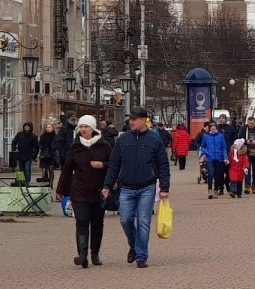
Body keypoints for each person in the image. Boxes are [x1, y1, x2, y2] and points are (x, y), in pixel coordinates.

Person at [102, 106, 170, 269]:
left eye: (134, 119)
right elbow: (114, 164)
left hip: (147, 187)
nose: (131, 122)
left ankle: (141, 256)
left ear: (143, 120)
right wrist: (107, 185)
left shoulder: (154, 140)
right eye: (130, 119)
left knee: (144, 221)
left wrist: (165, 188)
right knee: (125, 219)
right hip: (126, 187)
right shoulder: (123, 139)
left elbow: (163, 165)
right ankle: (133, 246)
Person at [57, 115, 111, 268]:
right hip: (79, 191)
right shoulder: (75, 147)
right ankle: (82, 255)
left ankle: (95, 253)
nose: (83, 129)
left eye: (86, 127)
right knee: (81, 221)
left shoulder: (104, 146)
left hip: (99, 191)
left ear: (93, 128)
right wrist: (60, 190)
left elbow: (113, 165)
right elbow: (67, 169)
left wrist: (102, 165)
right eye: (80, 127)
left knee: (96, 223)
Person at [200, 120, 229, 199]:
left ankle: (216, 190)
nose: (213, 128)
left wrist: (225, 158)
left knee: (217, 175)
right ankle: (210, 190)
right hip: (210, 158)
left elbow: (224, 148)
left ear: (216, 127)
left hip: (219, 158)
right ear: (209, 128)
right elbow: (202, 147)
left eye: (214, 126)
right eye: (211, 127)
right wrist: (207, 152)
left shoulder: (220, 136)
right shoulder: (206, 136)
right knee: (211, 174)